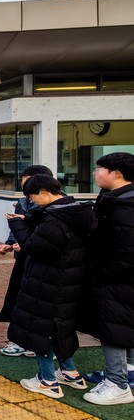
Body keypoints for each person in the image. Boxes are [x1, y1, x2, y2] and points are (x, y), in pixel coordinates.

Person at [8, 174, 93, 399]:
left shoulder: (56, 220)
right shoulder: (76, 211)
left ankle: (47, 380)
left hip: (47, 282)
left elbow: (34, 246)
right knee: (60, 328)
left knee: (40, 330)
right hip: (68, 281)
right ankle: (71, 373)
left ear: (45, 191)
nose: (32, 201)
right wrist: (29, 219)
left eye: (33, 196)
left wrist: (17, 224)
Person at [80, 152, 134, 406]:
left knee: (112, 328)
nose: (95, 173)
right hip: (115, 278)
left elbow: (126, 251)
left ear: (117, 173)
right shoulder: (113, 198)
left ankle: (117, 384)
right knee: (123, 325)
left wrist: (100, 274)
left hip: (116, 279)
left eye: (99, 168)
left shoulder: (125, 205)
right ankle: (128, 373)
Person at [0, 165, 55, 358]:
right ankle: (22, 341)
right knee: (21, 298)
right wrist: (10, 243)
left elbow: (48, 234)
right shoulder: (23, 202)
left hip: (44, 263)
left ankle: (42, 348)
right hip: (24, 260)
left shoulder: (53, 206)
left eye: (26, 179)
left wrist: (28, 243)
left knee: (38, 303)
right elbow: (17, 228)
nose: (23, 183)